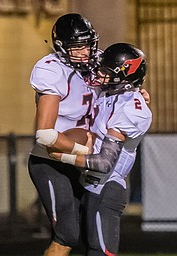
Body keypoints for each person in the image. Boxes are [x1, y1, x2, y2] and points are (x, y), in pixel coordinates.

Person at [50, 43, 152, 255]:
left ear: (124, 76)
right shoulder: (111, 94)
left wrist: (63, 157)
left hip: (106, 187)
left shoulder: (130, 108)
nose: (100, 73)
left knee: (100, 252)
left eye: (106, 71)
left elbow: (104, 163)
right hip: (90, 184)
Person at [28, 13, 100, 256]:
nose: (84, 52)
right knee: (67, 234)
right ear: (61, 47)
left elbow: (125, 80)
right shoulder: (52, 70)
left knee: (91, 232)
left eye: (87, 44)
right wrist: (85, 151)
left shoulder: (97, 62)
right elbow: (45, 135)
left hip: (83, 162)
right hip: (53, 159)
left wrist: (137, 93)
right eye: (77, 47)